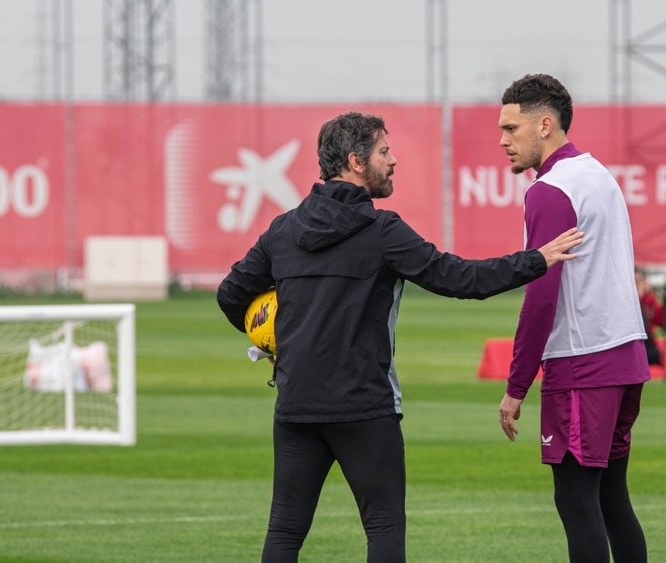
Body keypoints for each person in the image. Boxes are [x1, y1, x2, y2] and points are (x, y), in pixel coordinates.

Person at [216, 111, 583, 563]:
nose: (394, 161)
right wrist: (535, 260)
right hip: (364, 407)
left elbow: (231, 295)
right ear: (355, 161)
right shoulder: (381, 232)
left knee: (286, 530)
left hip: (296, 406)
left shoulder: (284, 230)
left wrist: (276, 346)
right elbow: (458, 278)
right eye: (384, 152)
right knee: (384, 526)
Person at [495, 74, 650, 562]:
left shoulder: (550, 190)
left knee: (577, 504)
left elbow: (541, 296)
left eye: (511, 129)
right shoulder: (597, 173)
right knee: (611, 499)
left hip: (583, 363)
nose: (503, 141)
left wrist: (517, 386)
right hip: (626, 354)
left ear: (545, 124)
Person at [635, 270, 666, 366]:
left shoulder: (650, 299)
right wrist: (639, 296)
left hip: (648, 342)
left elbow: (662, 322)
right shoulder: (630, 298)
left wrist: (665, 302)